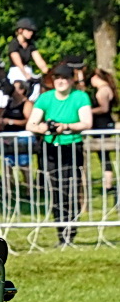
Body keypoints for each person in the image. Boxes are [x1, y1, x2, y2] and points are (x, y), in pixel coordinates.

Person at [27, 63, 93, 246]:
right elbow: (30, 124)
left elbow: (86, 122)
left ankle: (71, 233)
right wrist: (41, 127)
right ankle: (61, 235)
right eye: (57, 78)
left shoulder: (80, 97)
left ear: (71, 80)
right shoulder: (45, 98)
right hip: (50, 149)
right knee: (55, 192)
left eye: (64, 78)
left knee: (71, 190)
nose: (61, 81)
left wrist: (67, 127)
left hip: (72, 147)